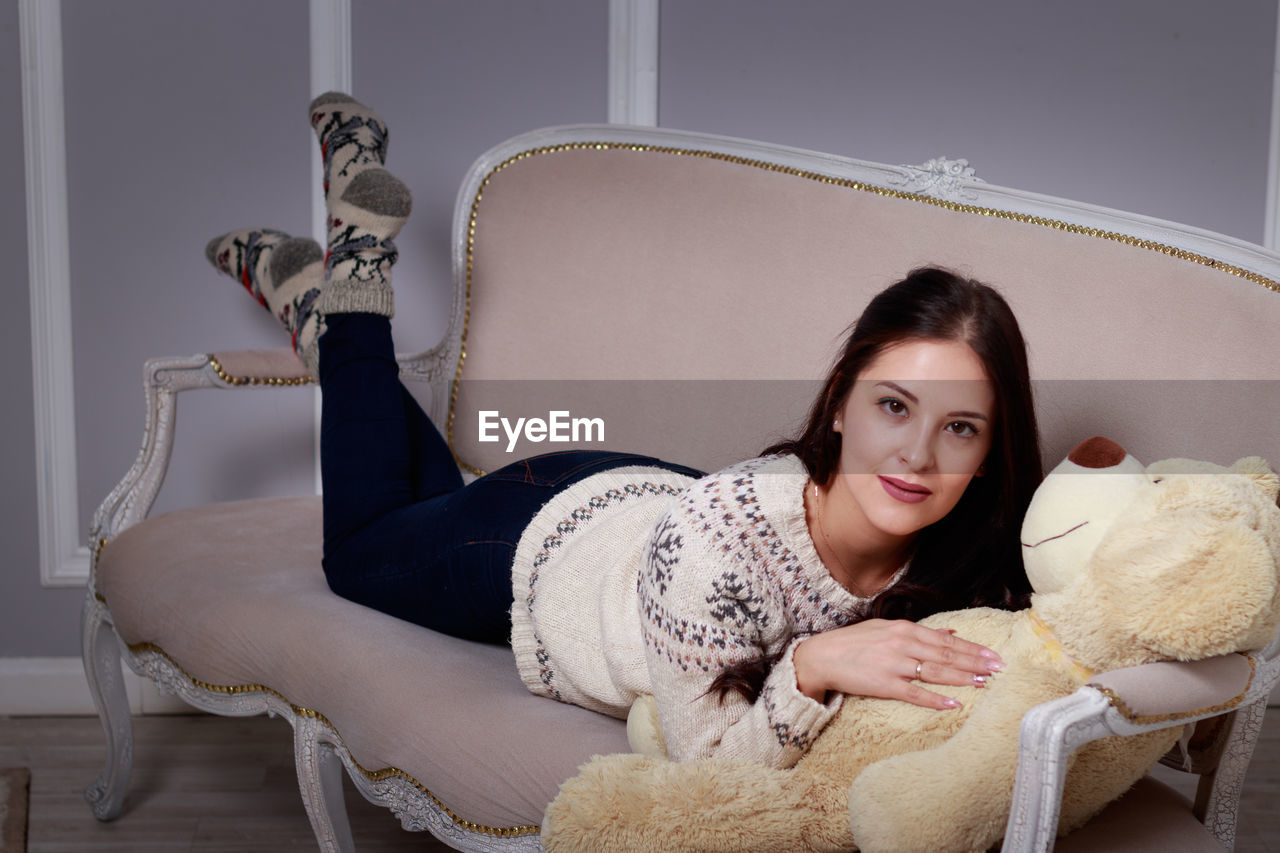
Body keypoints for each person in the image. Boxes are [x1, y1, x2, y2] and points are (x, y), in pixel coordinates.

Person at [205, 93, 1041, 771]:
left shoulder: (974, 546)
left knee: (403, 492)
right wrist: (814, 666)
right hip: (545, 540)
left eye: (960, 427)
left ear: (989, 453)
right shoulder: (722, 543)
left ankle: (316, 316)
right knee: (360, 548)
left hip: (655, 504)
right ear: (839, 404)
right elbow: (710, 757)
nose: (919, 455)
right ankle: (356, 269)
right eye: (893, 406)